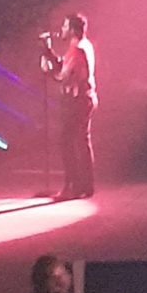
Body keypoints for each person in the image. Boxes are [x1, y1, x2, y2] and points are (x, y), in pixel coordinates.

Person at [42, 13, 97, 199]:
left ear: (72, 30)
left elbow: (62, 77)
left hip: (77, 100)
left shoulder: (76, 50)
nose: (62, 30)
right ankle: (86, 186)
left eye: (65, 27)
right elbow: (66, 68)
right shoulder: (85, 45)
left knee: (67, 142)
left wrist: (48, 70)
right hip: (87, 98)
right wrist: (49, 53)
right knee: (82, 141)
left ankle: (71, 187)